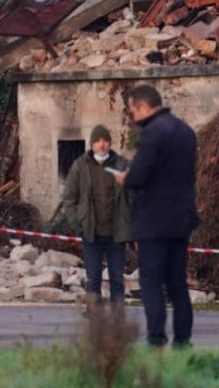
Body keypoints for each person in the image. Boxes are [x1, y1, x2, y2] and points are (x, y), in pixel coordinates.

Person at [115, 85, 198, 349]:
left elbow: (140, 176)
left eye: (132, 111)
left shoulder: (153, 134)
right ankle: (183, 340)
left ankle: (156, 338)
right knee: (177, 283)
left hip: (153, 221)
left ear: (142, 107)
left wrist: (125, 179)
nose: (132, 117)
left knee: (151, 283)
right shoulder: (186, 131)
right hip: (181, 219)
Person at [58, 124, 130, 306]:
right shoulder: (80, 166)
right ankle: (94, 318)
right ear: (92, 144)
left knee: (116, 278)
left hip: (116, 233)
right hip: (91, 232)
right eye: (98, 141)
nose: (102, 144)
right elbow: (69, 198)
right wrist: (77, 223)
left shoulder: (121, 164)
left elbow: (134, 196)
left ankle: (117, 317)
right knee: (93, 279)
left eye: (105, 141)